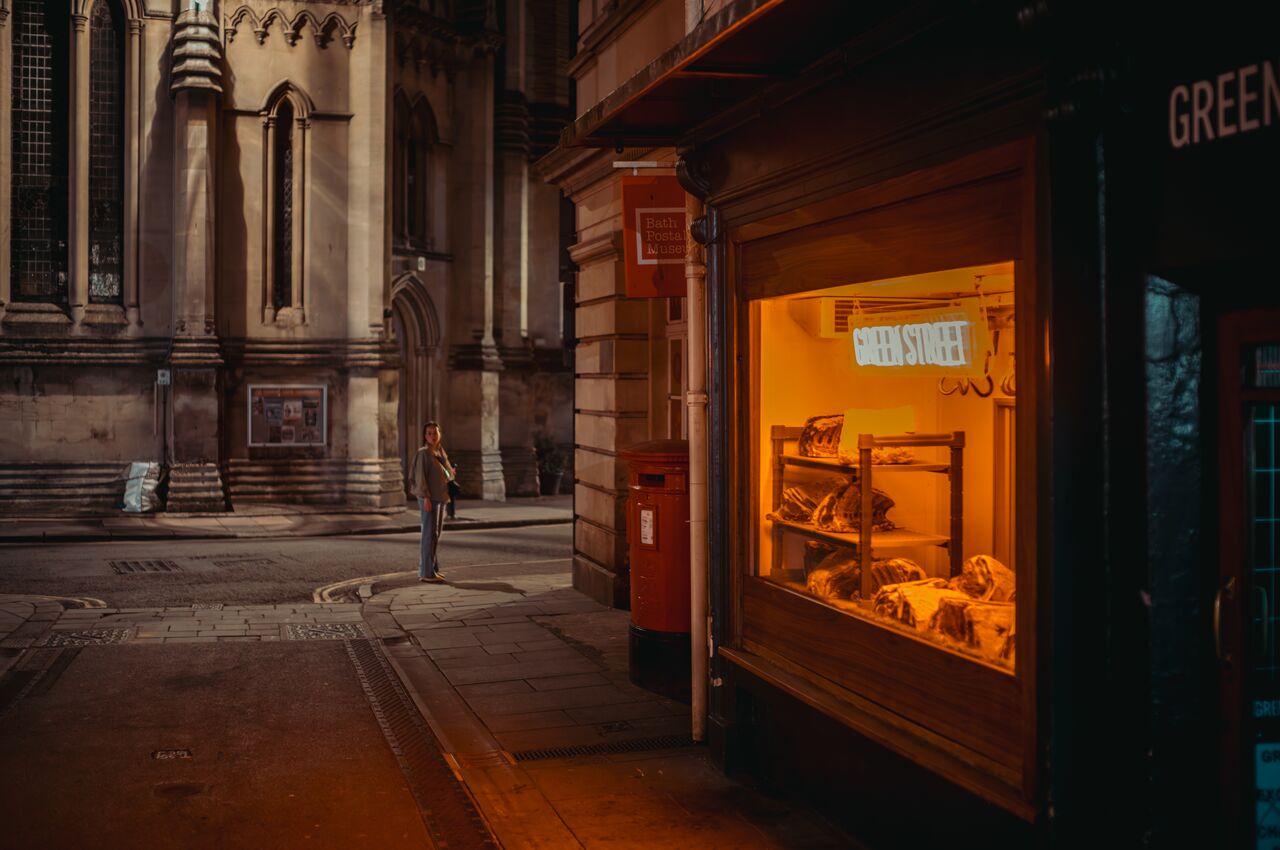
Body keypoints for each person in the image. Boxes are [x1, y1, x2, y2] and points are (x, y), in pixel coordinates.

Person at [409, 421, 455, 583]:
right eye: (429, 433)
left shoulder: (440, 452)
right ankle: (426, 573)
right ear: (424, 436)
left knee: (435, 535)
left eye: (435, 433)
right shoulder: (424, 453)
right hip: (430, 498)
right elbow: (420, 477)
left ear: (439, 434)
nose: (432, 436)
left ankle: (433, 569)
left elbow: (450, 474)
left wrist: (450, 473)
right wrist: (425, 498)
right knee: (429, 534)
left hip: (441, 497)